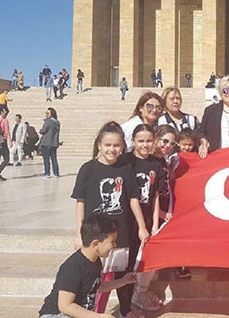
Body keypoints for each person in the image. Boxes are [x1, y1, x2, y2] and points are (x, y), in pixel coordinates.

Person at [72, 122, 149, 317]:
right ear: (99, 145)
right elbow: (80, 202)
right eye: (107, 145)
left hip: (119, 234)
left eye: (116, 145)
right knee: (96, 277)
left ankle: (125, 310)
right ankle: (94, 313)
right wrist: (79, 234)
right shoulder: (88, 169)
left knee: (122, 275)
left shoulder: (126, 168)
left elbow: (133, 199)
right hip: (95, 235)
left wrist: (142, 227)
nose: (112, 149)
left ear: (123, 146)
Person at [38, 213, 137, 318]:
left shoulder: (95, 261)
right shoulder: (73, 267)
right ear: (95, 244)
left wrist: (123, 281)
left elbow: (98, 286)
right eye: (112, 241)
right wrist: (98, 316)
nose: (115, 245)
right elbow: (65, 306)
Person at [123, 124, 165, 312]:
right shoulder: (126, 161)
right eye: (141, 141)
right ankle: (127, 303)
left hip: (147, 218)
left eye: (149, 141)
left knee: (145, 258)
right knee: (128, 262)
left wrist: (155, 224)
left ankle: (139, 294)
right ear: (133, 141)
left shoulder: (156, 164)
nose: (145, 145)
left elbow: (155, 195)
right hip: (128, 220)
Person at [39, 107, 61, 178]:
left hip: (46, 142)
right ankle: (56, 173)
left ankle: (47, 173)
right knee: (54, 159)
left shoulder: (48, 121)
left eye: (48, 113)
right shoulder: (57, 122)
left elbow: (43, 130)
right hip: (54, 143)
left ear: (52, 114)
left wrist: (40, 130)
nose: (46, 114)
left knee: (46, 159)